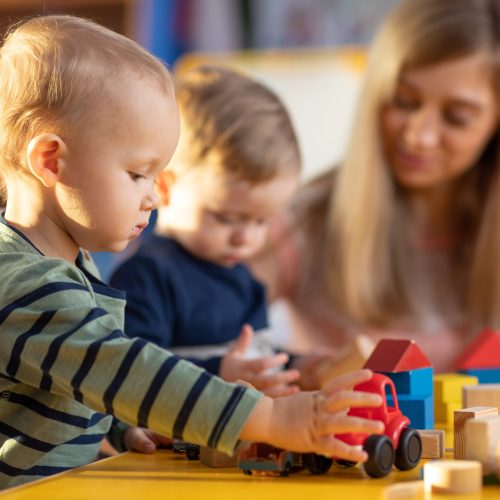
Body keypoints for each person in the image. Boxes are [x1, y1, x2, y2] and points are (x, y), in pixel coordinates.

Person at [0, 15, 384, 489]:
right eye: (138, 174)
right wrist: (276, 420)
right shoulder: (29, 286)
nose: (153, 197)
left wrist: (121, 423)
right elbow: (121, 366)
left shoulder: (67, 265)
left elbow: (75, 379)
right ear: (51, 161)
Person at [249, 0, 500, 373]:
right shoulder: (304, 222)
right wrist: (304, 375)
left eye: (456, 118)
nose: (420, 137)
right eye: (403, 101)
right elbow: (198, 334)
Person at [109, 65, 314, 397]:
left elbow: (255, 357)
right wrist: (219, 373)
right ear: (165, 187)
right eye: (227, 217)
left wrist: (297, 365)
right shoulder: (147, 276)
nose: (246, 238)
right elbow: (133, 375)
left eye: (262, 221)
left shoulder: (243, 280)